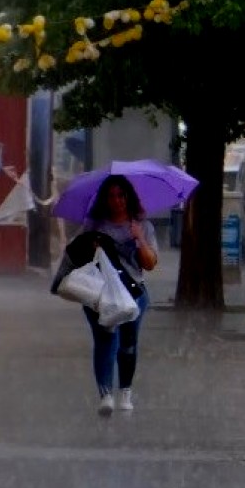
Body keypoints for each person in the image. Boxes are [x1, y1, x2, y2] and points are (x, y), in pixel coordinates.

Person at [81, 175, 159, 416]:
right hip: (100, 293)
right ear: (105, 199)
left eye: (121, 195)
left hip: (133, 291)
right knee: (105, 340)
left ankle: (125, 390)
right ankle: (105, 394)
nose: (117, 201)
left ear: (129, 197)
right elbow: (79, 257)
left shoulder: (142, 225)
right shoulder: (94, 225)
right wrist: (91, 249)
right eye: (111, 196)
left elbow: (150, 263)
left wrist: (140, 239)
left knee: (128, 344)